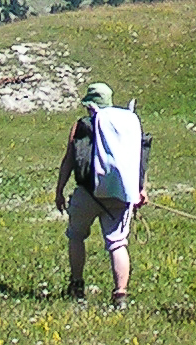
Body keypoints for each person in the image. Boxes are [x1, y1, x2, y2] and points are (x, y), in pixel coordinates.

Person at [55, 82, 147, 308]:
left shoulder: (83, 125)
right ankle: (121, 294)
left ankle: (77, 286)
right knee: (117, 243)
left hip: (88, 192)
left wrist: (59, 190)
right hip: (121, 193)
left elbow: (69, 159)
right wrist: (140, 189)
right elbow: (139, 157)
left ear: (90, 105)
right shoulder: (127, 123)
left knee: (76, 235)